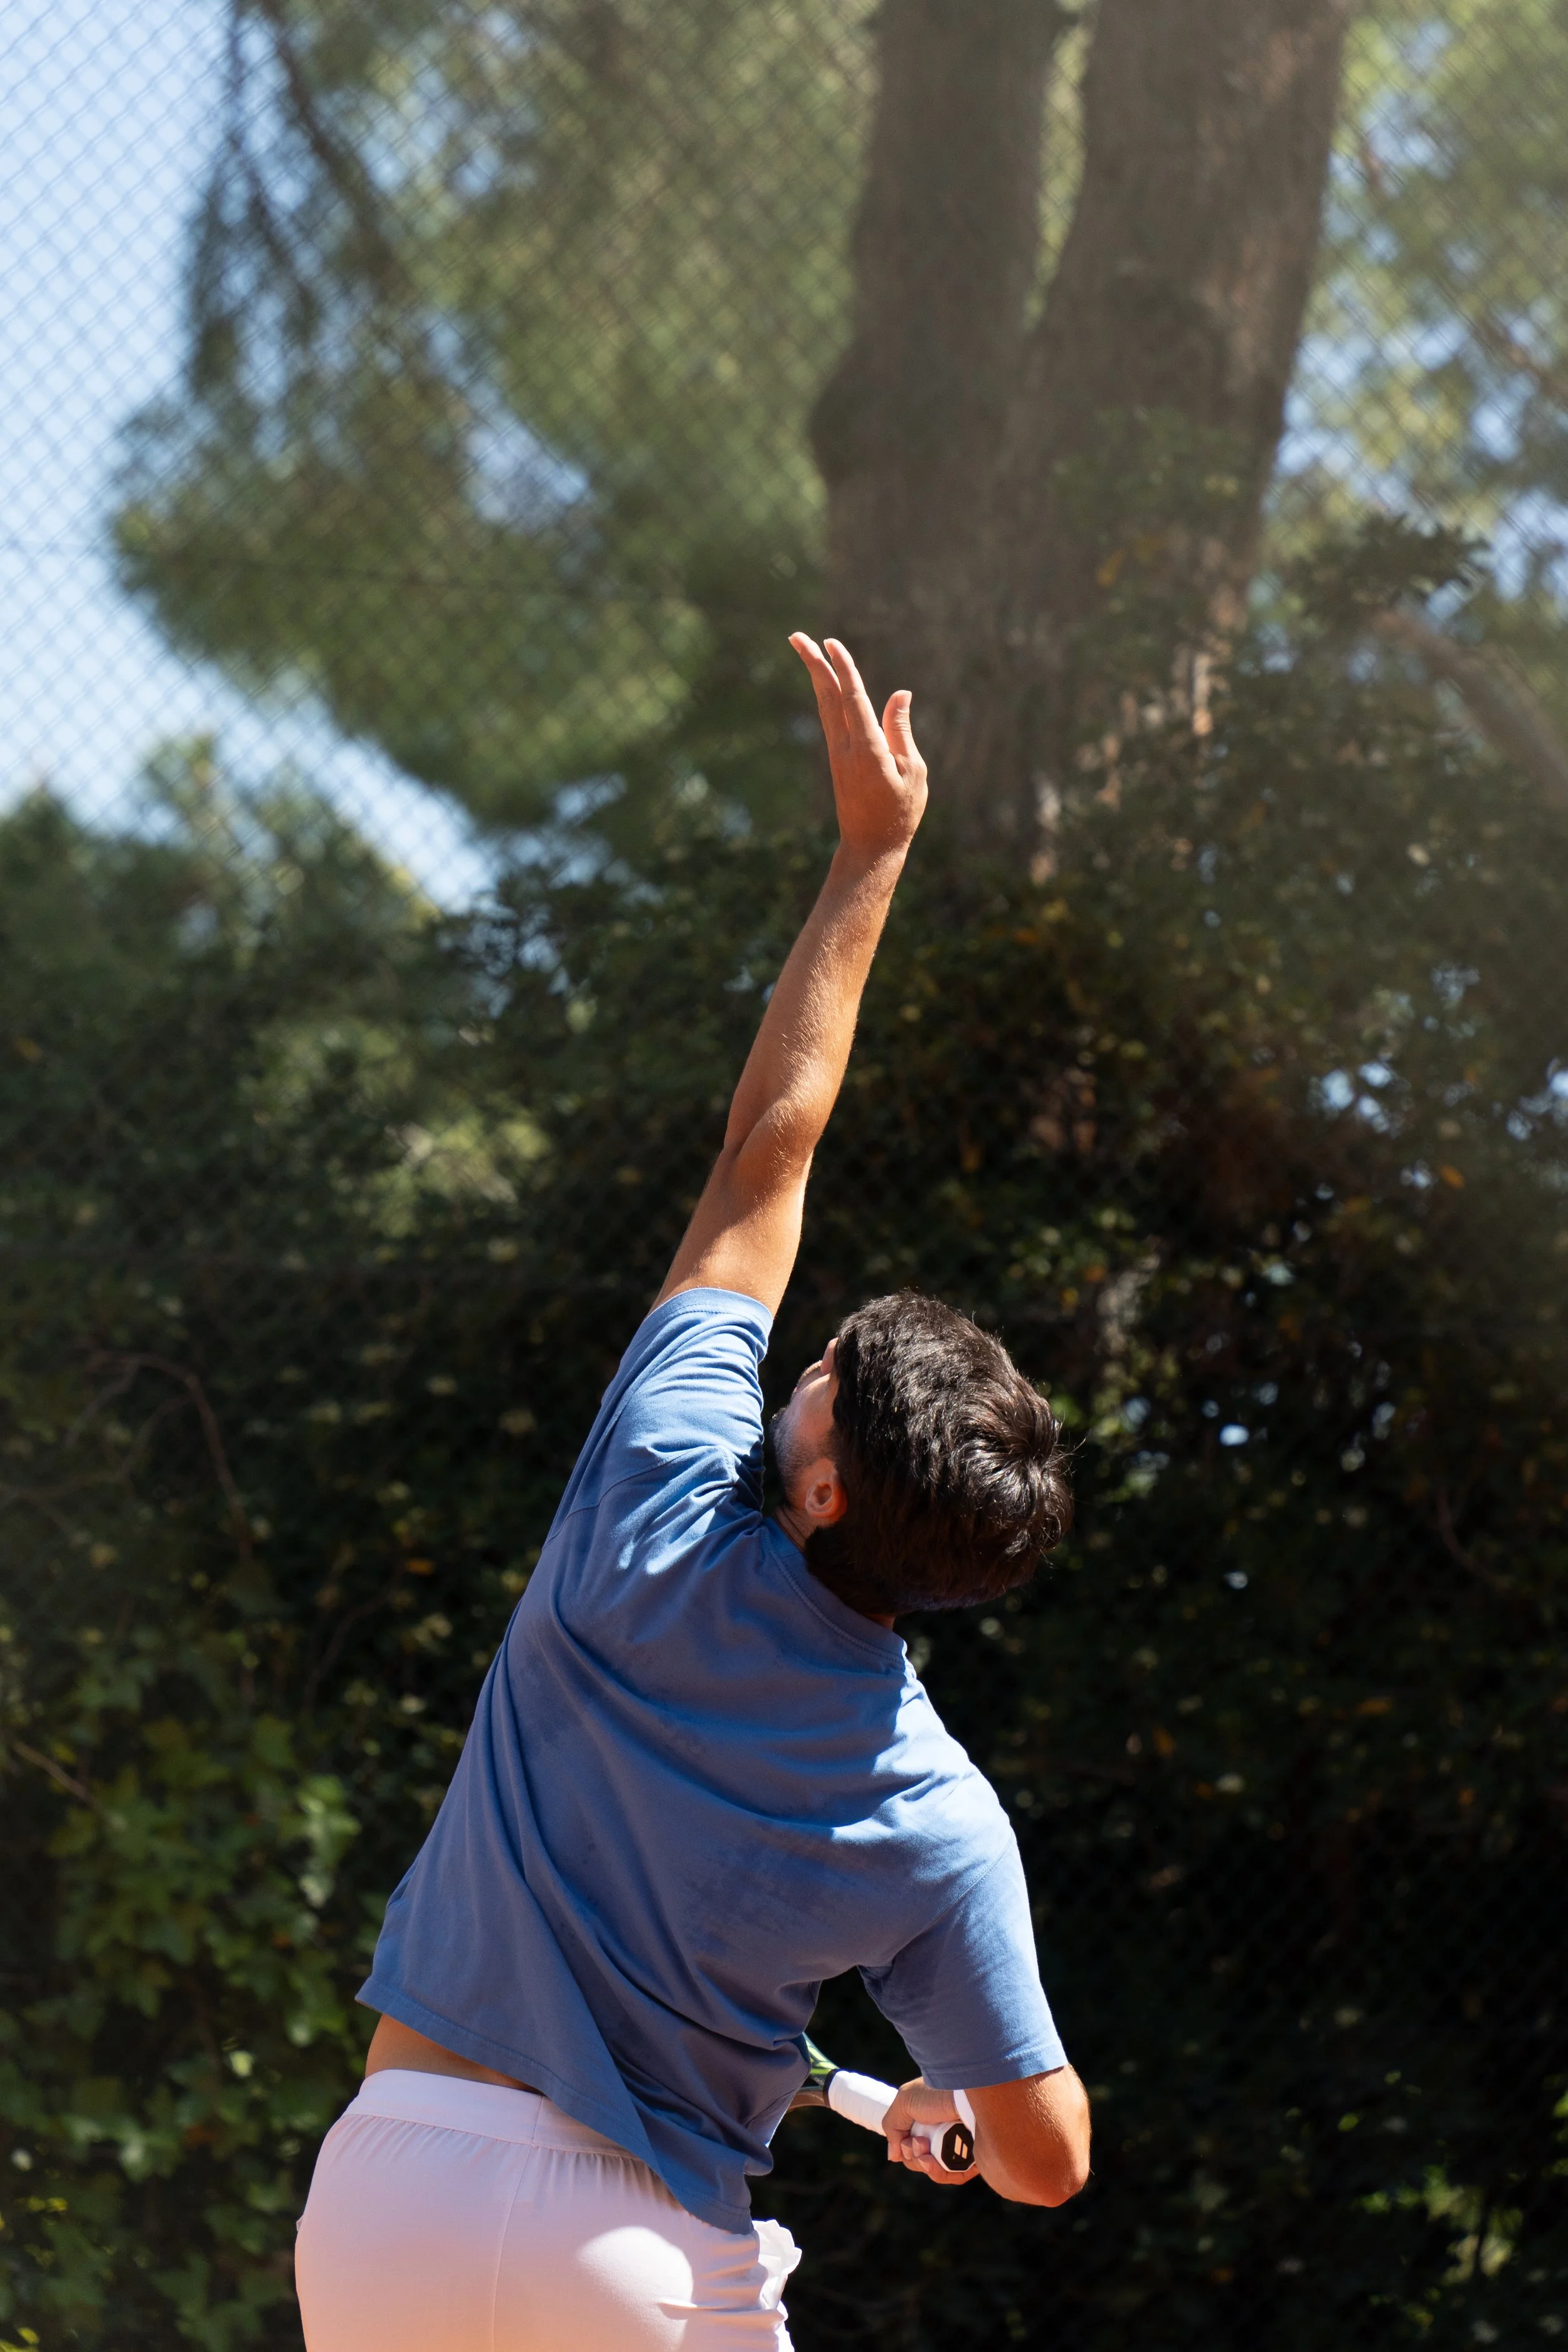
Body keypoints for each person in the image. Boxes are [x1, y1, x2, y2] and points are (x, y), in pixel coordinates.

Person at [294, 636, 1092, 2351]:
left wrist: (869, 852)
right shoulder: (927, 1813)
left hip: (380, 2201)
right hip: (637, 2258)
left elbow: (766, 1156)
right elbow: (1040, 2162)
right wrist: (931, 2098)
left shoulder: (646, 1504)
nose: (796, 1360)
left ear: (813, 1488)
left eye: (817, 1376)